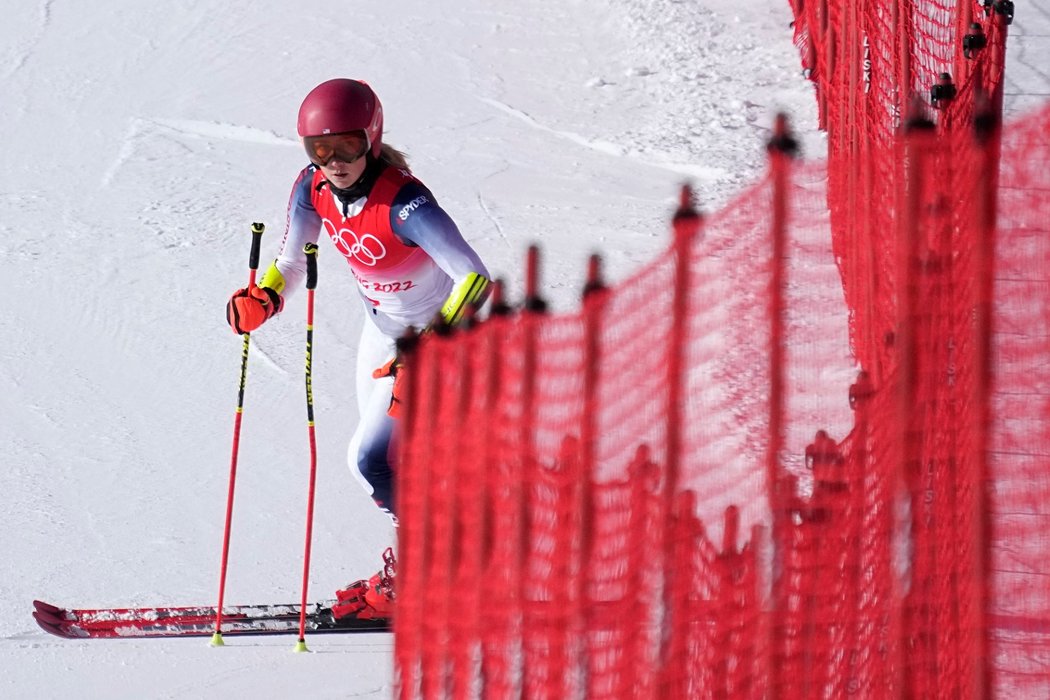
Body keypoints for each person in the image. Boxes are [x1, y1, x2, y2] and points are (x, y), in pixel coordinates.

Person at [225, 78, 491, 619]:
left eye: (346, 145)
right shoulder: (312, 188)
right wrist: (266, 296)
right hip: (381, 335)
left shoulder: (406, 204)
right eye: (318, 149)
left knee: (371, 459)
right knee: (384, 462)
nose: (334, 160)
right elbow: (294, 260)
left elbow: (475, 280)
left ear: (370, 138)